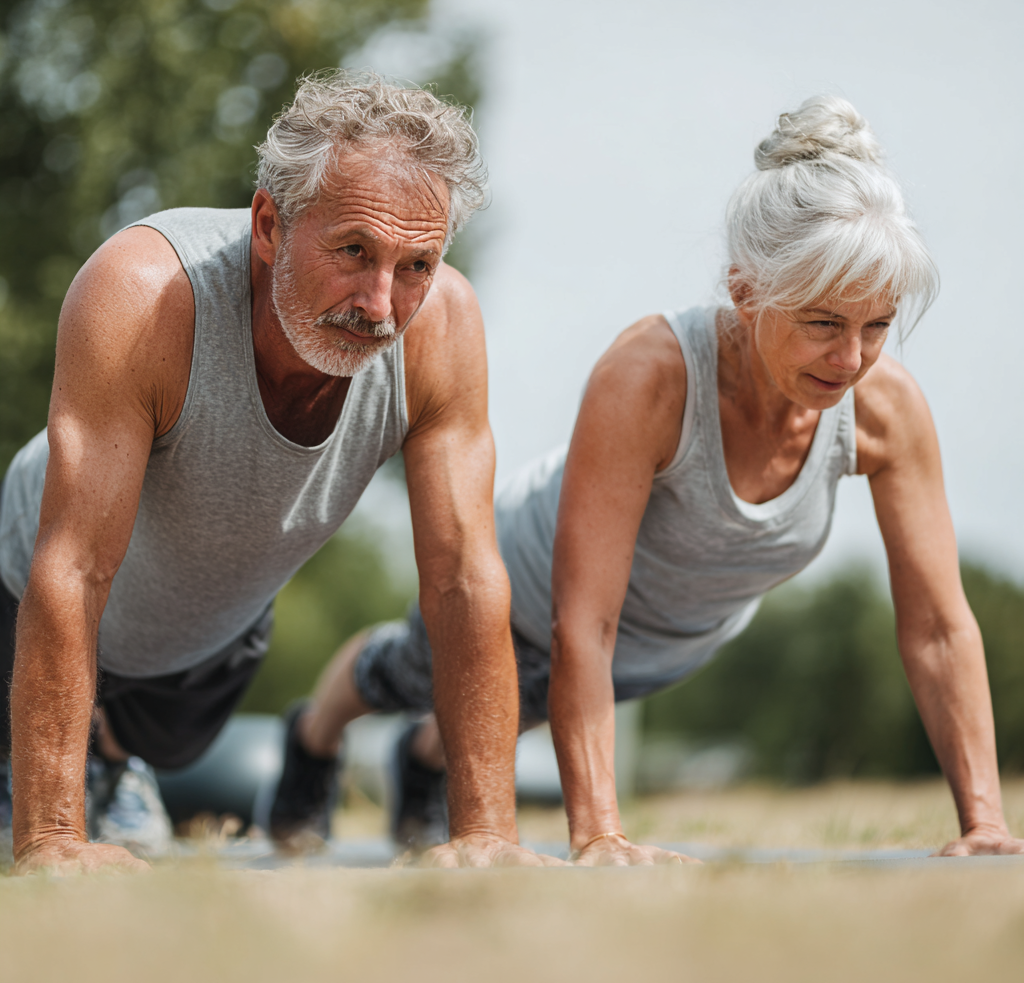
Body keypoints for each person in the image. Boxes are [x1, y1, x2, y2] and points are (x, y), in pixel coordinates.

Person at [283, 96, 1024, 864]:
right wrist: (600, 834)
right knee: (403, 672)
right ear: (745, 293)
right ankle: (312, 739)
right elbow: (586, 624)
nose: (851, 359)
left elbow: (938, 628)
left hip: (659, 646)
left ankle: (425, 761)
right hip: (535, 592)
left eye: (876, 326)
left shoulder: (884, 409)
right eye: (823, 324)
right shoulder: (651, 376)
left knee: (511, 712)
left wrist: (986, 825)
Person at [0, 71, 552, 874]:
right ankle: (45, 779)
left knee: (167, 750)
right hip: (20, 605)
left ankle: (111, 756)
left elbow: (465, 580)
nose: (381, 306)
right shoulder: (145, 294)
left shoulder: (443, 330)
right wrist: (53, 841)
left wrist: (488, 837)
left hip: (203, 644)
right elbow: (74, 567)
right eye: (354, 251)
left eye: (415, 265)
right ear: (269, 223)